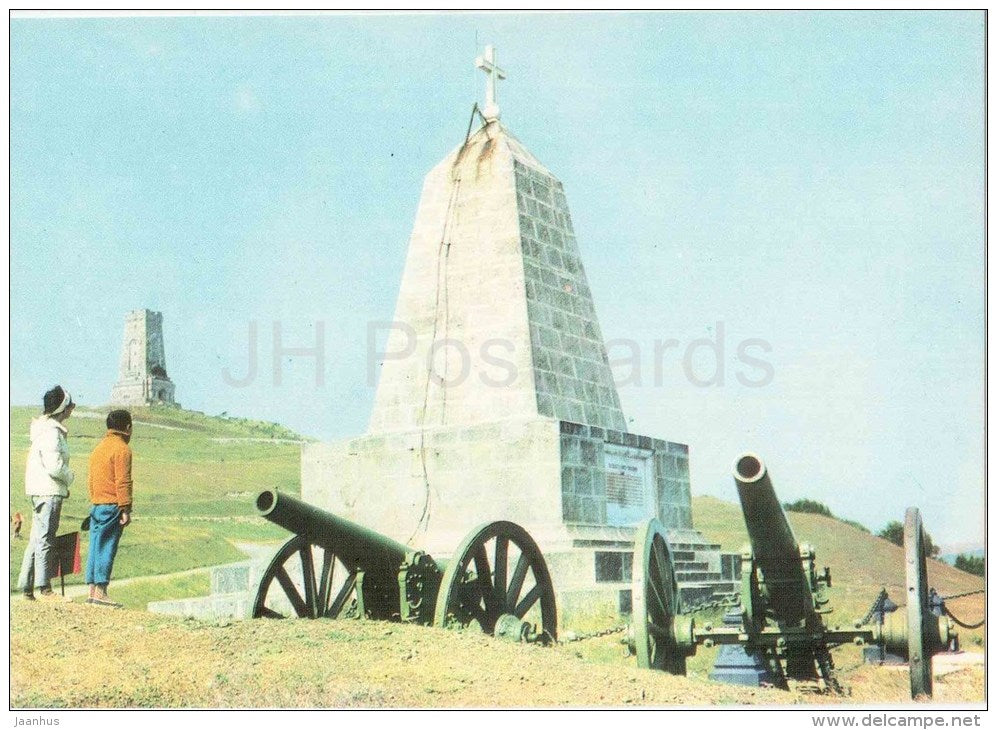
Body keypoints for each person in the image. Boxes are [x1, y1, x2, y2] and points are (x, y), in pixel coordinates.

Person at [17, 386, 75, 601]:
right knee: (46, 539)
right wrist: (70, 477)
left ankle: (26, 586)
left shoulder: (42, 429)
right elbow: (55, 465)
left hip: (39, 489)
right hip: (49, 490)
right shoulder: (52, 432)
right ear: (63, 408)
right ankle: (44, 588)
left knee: (36, 538)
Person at [85, 409, 134, 607]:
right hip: (112, 505)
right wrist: (125, 508)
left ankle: (91, 592)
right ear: (128, 428)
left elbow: (91, 479)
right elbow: (123, 481)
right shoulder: (122, 449)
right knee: (107, 548)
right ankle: (101, 592)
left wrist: (96, 499)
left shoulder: (99, 448)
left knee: (95, 547)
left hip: (97, 504)